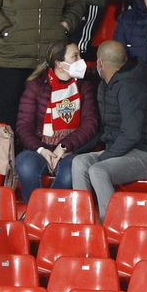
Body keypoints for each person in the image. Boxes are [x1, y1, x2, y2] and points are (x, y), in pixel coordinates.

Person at [70, 40, 147, 217]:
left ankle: (111, 226)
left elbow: (131, 134)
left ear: (100, 62)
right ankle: (82, 222)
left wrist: (105, 157)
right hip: (120, 152)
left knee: (98, 170)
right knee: (79, 162)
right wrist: (73, 150)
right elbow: (104, 130)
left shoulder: (130, 87)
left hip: (146, 154)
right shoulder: (106, 85)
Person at [13, 40, 99, 199]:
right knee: (25, 165)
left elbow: (90, 124)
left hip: (72, 151)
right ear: (59, 64)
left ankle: (49, 212)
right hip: (40, 149)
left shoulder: (84, 86)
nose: (81, 60)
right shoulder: (36, 85)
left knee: (69, 173)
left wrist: (64, 146)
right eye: (75, 56)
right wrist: (42, 150)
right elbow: (23, 126)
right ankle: (35, 212)